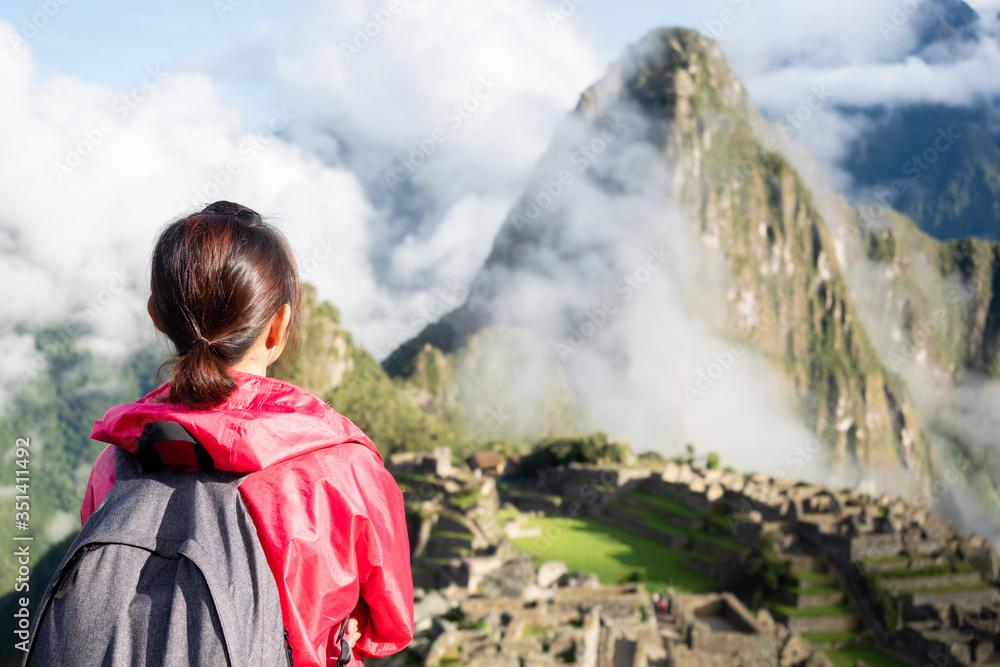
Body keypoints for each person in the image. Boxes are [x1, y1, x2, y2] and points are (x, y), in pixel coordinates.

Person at [79, 201, 414, 666]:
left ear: (158, 317)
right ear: (278, 327)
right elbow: (389, 628)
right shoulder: (348, 473)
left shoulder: (116, 465)